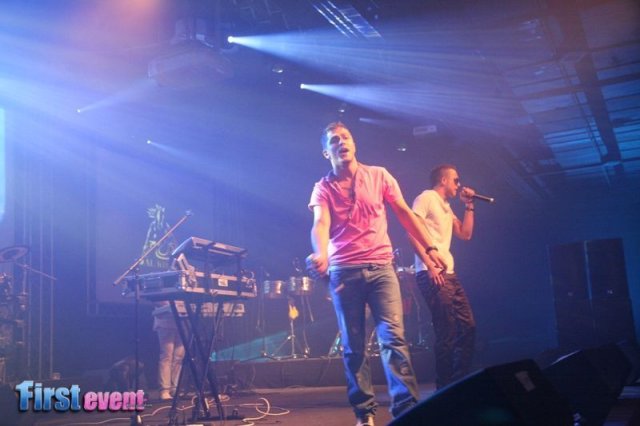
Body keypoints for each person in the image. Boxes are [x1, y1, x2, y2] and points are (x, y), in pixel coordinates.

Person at [307, 122, 446, 426]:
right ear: (326, 151)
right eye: (334, 140)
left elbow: (405, 213)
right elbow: (320, 223)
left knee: (393, 340)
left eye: (345, 137)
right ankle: (364, 414)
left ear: (354, 144)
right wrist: (321, 254)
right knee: (353, 347)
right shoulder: (323, 187)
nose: (341, 142)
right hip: (344, 272)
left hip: (382, 269)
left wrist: (431, 248)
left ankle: (406, 412)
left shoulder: (379, 175)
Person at [408, 164, 477, 390]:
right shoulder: (426, 198)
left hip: (449, 273)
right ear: (443, 180)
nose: (459, 184)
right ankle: (445, 386)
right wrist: (429, 265)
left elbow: (465, 234)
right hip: (432, 272)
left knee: (467, 326)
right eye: (455, 180)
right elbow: (412, 230)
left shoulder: (446, 207)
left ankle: (459, 380)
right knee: (446, 330)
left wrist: (469, 205)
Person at [152, 301, 185, 400]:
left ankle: (175, 388)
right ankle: (165, 390)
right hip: (165, 321)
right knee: (167, 356)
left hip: (182, 322)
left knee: (179, 357)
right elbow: (157, 301)